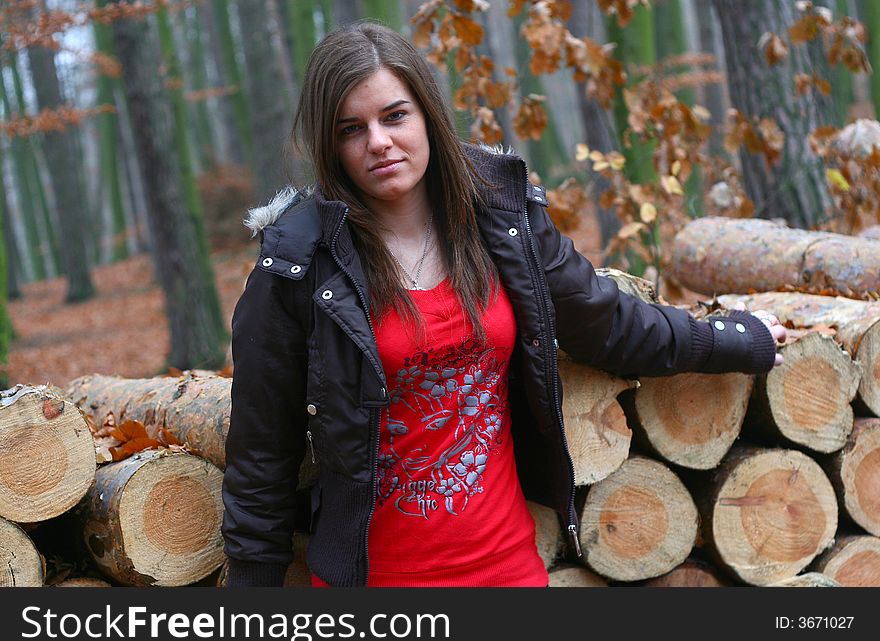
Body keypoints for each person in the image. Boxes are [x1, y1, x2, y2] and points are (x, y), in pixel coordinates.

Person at [221, 21, 786, 588]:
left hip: (509, 572)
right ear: (330, 143)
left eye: (395, 116)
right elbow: (261, 458)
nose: (379, 142)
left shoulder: (501, 219)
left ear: (427, 116)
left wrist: (735, 339)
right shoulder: (298, 265)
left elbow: (604, 320)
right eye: (352, 129)